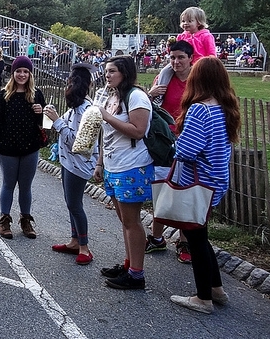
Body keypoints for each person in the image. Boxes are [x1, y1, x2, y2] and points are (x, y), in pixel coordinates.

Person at [169, 57, 240, 314]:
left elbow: (187, 150)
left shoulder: (200, 109)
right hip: (216, 180)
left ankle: (203, 298)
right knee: (202, 234)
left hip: (196, 183)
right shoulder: (225, 107)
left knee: (196, 239)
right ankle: (216, 288)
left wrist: (174, 142)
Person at [93, 55, 153, 290]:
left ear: (125, 73)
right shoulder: (112, 96)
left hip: (132, 165)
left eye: (112, 71)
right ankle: (129, 264)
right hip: (113, 164)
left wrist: (105, 116)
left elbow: (138, 131)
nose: (107, 76)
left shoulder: (136, 96)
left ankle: (136, 274)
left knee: (132, 221)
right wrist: (100, 163)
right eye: (106, 71)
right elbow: (106, 134)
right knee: (124, 220)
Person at [146, 40, 195, 262]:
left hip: (189, 140)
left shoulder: (197, 82)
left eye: (180, 58)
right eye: (172, 58)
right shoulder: (164, 79)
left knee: (184, 191)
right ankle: (157, 238)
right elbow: (146, 106)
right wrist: (151, 93)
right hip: (165, 140)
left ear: (190, 58)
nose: (176, 62)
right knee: (162, 189)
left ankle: (184, 241)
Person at [44, 64, 99, 265]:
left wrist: (57, 121)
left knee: (75, 204)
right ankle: (75, 241)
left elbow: (77, 142)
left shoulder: (85, 109)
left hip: (79, 163)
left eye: (70, 81)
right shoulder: (77, 107)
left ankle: (84, 247)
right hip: (69, 162)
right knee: (70, 203)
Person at [0, 55, 46, 239]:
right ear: (13, 73)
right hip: (8, 147)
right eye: (18, 71)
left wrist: (40, 112)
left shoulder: (36, 94)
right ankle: (4, 219)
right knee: (8, 183)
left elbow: (44, 125)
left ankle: (25, 219)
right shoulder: (4, 95)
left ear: (30, 74)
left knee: (25, 185)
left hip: (30, 146)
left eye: (25, 71)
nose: (22, 75)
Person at [154, 7, 216, 104]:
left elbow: (212, 54)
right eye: (183, 21)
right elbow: (174, 51)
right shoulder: (182, 36)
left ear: (199, 22)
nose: (185, 23)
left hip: (199, 64)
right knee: (165, 71)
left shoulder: (206, 36)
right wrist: (169, 46)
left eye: (190, 21)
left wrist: (207, 65)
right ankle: (160, 93)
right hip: (183, 62)